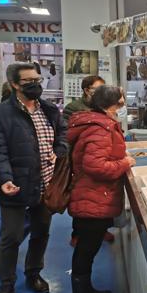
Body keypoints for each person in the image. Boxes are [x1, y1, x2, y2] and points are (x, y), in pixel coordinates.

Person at [0, 62, 67, 293]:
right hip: (16, 185)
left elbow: (63, 135)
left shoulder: (49, 109)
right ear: (15, 84)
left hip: (45, 184)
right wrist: (4, 179)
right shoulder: (0, 114)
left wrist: (59, 150)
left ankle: (33, 274)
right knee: (11, 237)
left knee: (41, 233)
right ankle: (6, 284)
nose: (36, 84)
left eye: (38, 79)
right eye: (28, 82)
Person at [67, 85, 135, 293]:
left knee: (89, 248)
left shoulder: (99, 122)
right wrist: (124, 163)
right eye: (120, 102)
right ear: (112, 104)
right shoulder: (100, 128)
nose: (122, 106)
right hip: (92, 197)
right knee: (86, 250)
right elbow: (95, 166)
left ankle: (86, 292)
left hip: (94, 196)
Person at [63, 75, 114, 247]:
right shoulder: (73, 108)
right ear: (87, 90)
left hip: (100, 156)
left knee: (100, 196)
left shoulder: (104, 107)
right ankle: (77, 234)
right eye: (98, 89)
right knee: (82, 198)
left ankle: (102, 229)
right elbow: (67, 135)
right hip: (80, 160)